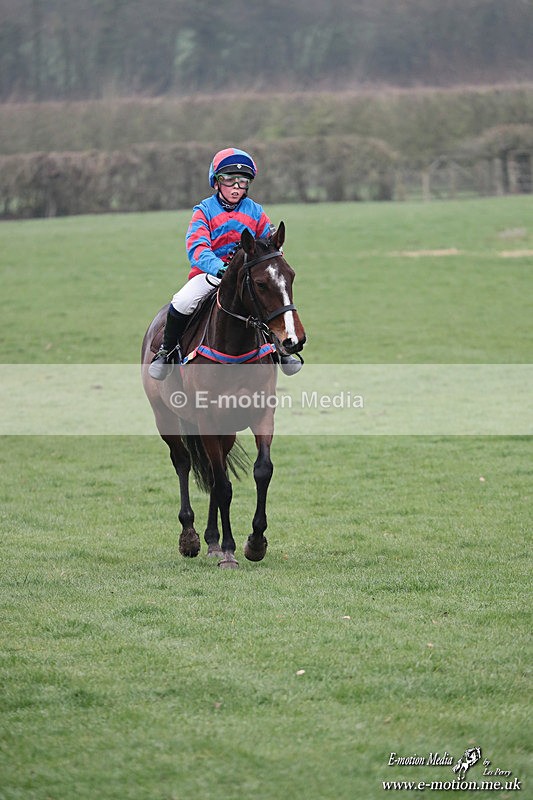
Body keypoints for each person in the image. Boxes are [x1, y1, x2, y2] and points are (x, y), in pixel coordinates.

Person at [149, 147, 302, 380]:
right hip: (210, 274)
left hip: (247, 276)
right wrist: (221, 269)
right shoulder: (203, 211)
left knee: (268, 301)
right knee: (182, 301)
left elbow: (271, 243)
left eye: (242, 182)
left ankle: (280, 352)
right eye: (230, 180)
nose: (236, 187)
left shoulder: (256, 211)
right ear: (217, 182)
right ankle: (166, 352)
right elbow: (197, 249)